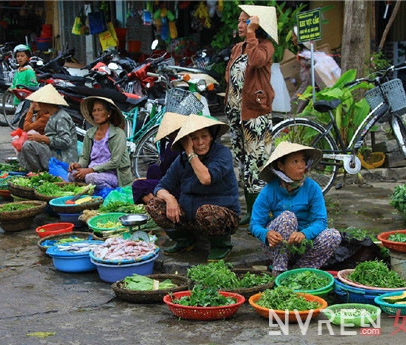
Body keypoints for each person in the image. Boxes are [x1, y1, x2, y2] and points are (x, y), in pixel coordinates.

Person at [145, 114, 240, 262]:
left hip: (221, 216)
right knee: (154, 205)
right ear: (188, 141)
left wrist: (191, 153)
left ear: (211, 137)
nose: (201, 142)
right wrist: (170, 198)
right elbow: (160, 187)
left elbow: (206, 178)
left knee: (206, 212)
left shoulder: (222, 154)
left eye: (205, 136)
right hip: (191, 216)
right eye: (195, 139)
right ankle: (185, 241)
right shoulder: (181, 160)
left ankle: (222, 245)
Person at [249, 142, 342, 276]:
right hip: (277, 246)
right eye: (295, 161)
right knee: (288, 217)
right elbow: (255, 224)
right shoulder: (269, 190)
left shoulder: (312, 188)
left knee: (333, 235)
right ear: (281, 166)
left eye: (303, 160)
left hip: (303, 245)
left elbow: (321, 221)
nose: (301, 166)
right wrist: (266, 234)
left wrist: (304, 234)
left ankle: (299, 271)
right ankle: (279, 270)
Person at [225, 5, 277, 226]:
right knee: (244, 164)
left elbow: (255, 62)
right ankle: (251, 212)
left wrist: (252, 34)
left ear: (257, 25)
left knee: (257, 166)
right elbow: (230, 74)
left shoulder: (265, 47)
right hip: (236, 114)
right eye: (239, 20)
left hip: (256, 114)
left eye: (246, 21)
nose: (240, 24)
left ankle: (261, 215)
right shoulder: (238, 48)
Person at [67, 96, 133, 189]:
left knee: (92, 178)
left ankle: (108, 195)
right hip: (91, 171)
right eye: (94, 111)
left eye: (100, 110)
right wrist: (78, 165)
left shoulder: (118, 134)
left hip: (112, 174)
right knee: (71, 175)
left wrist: (91, 170)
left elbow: (115, 162)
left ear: (109, 113)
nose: (96, 113)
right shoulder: (90, 133)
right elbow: (85, 158)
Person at [17, 84, 78, 172]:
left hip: (63, 157)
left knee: (28, 146)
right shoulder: (53, 116)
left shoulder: (61, 117)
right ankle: (33, 172)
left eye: (40, 103)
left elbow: (65, 141)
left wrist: (43, 138)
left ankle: (39, 173)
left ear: (45, 104)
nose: (39, 105)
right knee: (24, 147)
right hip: (53, 152)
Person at [131, 112, 184, 204]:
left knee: (138, 185)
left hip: (179, 185)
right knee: (153, 169)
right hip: (171, 177)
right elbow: (166, 169)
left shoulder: (177, 146)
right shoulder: (171, 143)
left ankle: (156, 206)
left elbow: (173, 174)